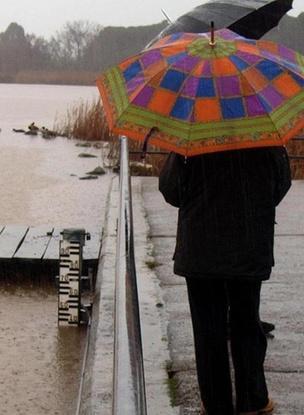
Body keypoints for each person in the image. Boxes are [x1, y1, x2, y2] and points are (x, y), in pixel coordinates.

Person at [159, 146, 291, 415]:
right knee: (246, 321)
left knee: (208, 330)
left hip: (201, 245)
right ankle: (252, 399)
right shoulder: (262, 134)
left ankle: (217, 404)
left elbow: (171, 190)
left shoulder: (192, 137)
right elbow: (281, 183)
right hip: (249, 242)